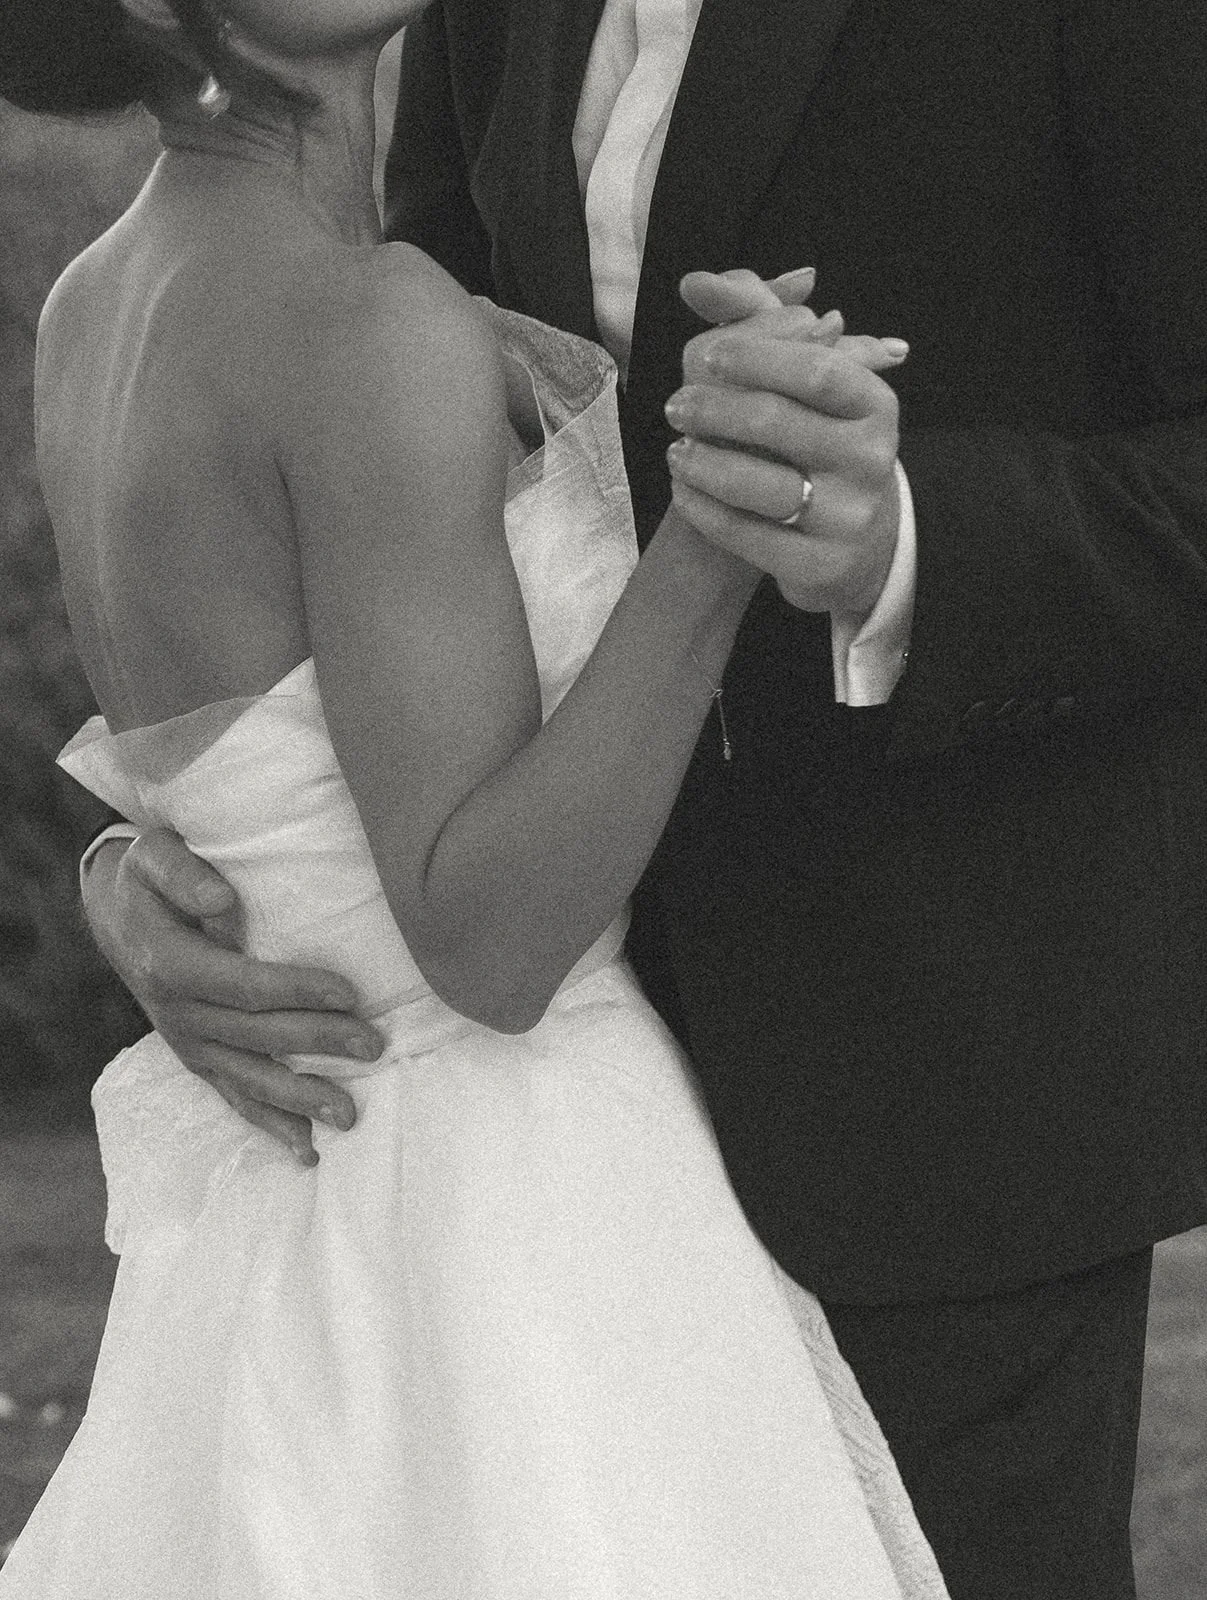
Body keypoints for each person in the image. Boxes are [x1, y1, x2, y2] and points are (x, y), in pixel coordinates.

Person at [78, 1, 1207, 1596]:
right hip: (502, 1132)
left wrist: (902, 540)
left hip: (939, 1088)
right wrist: (172, 856)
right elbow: (347, 501)